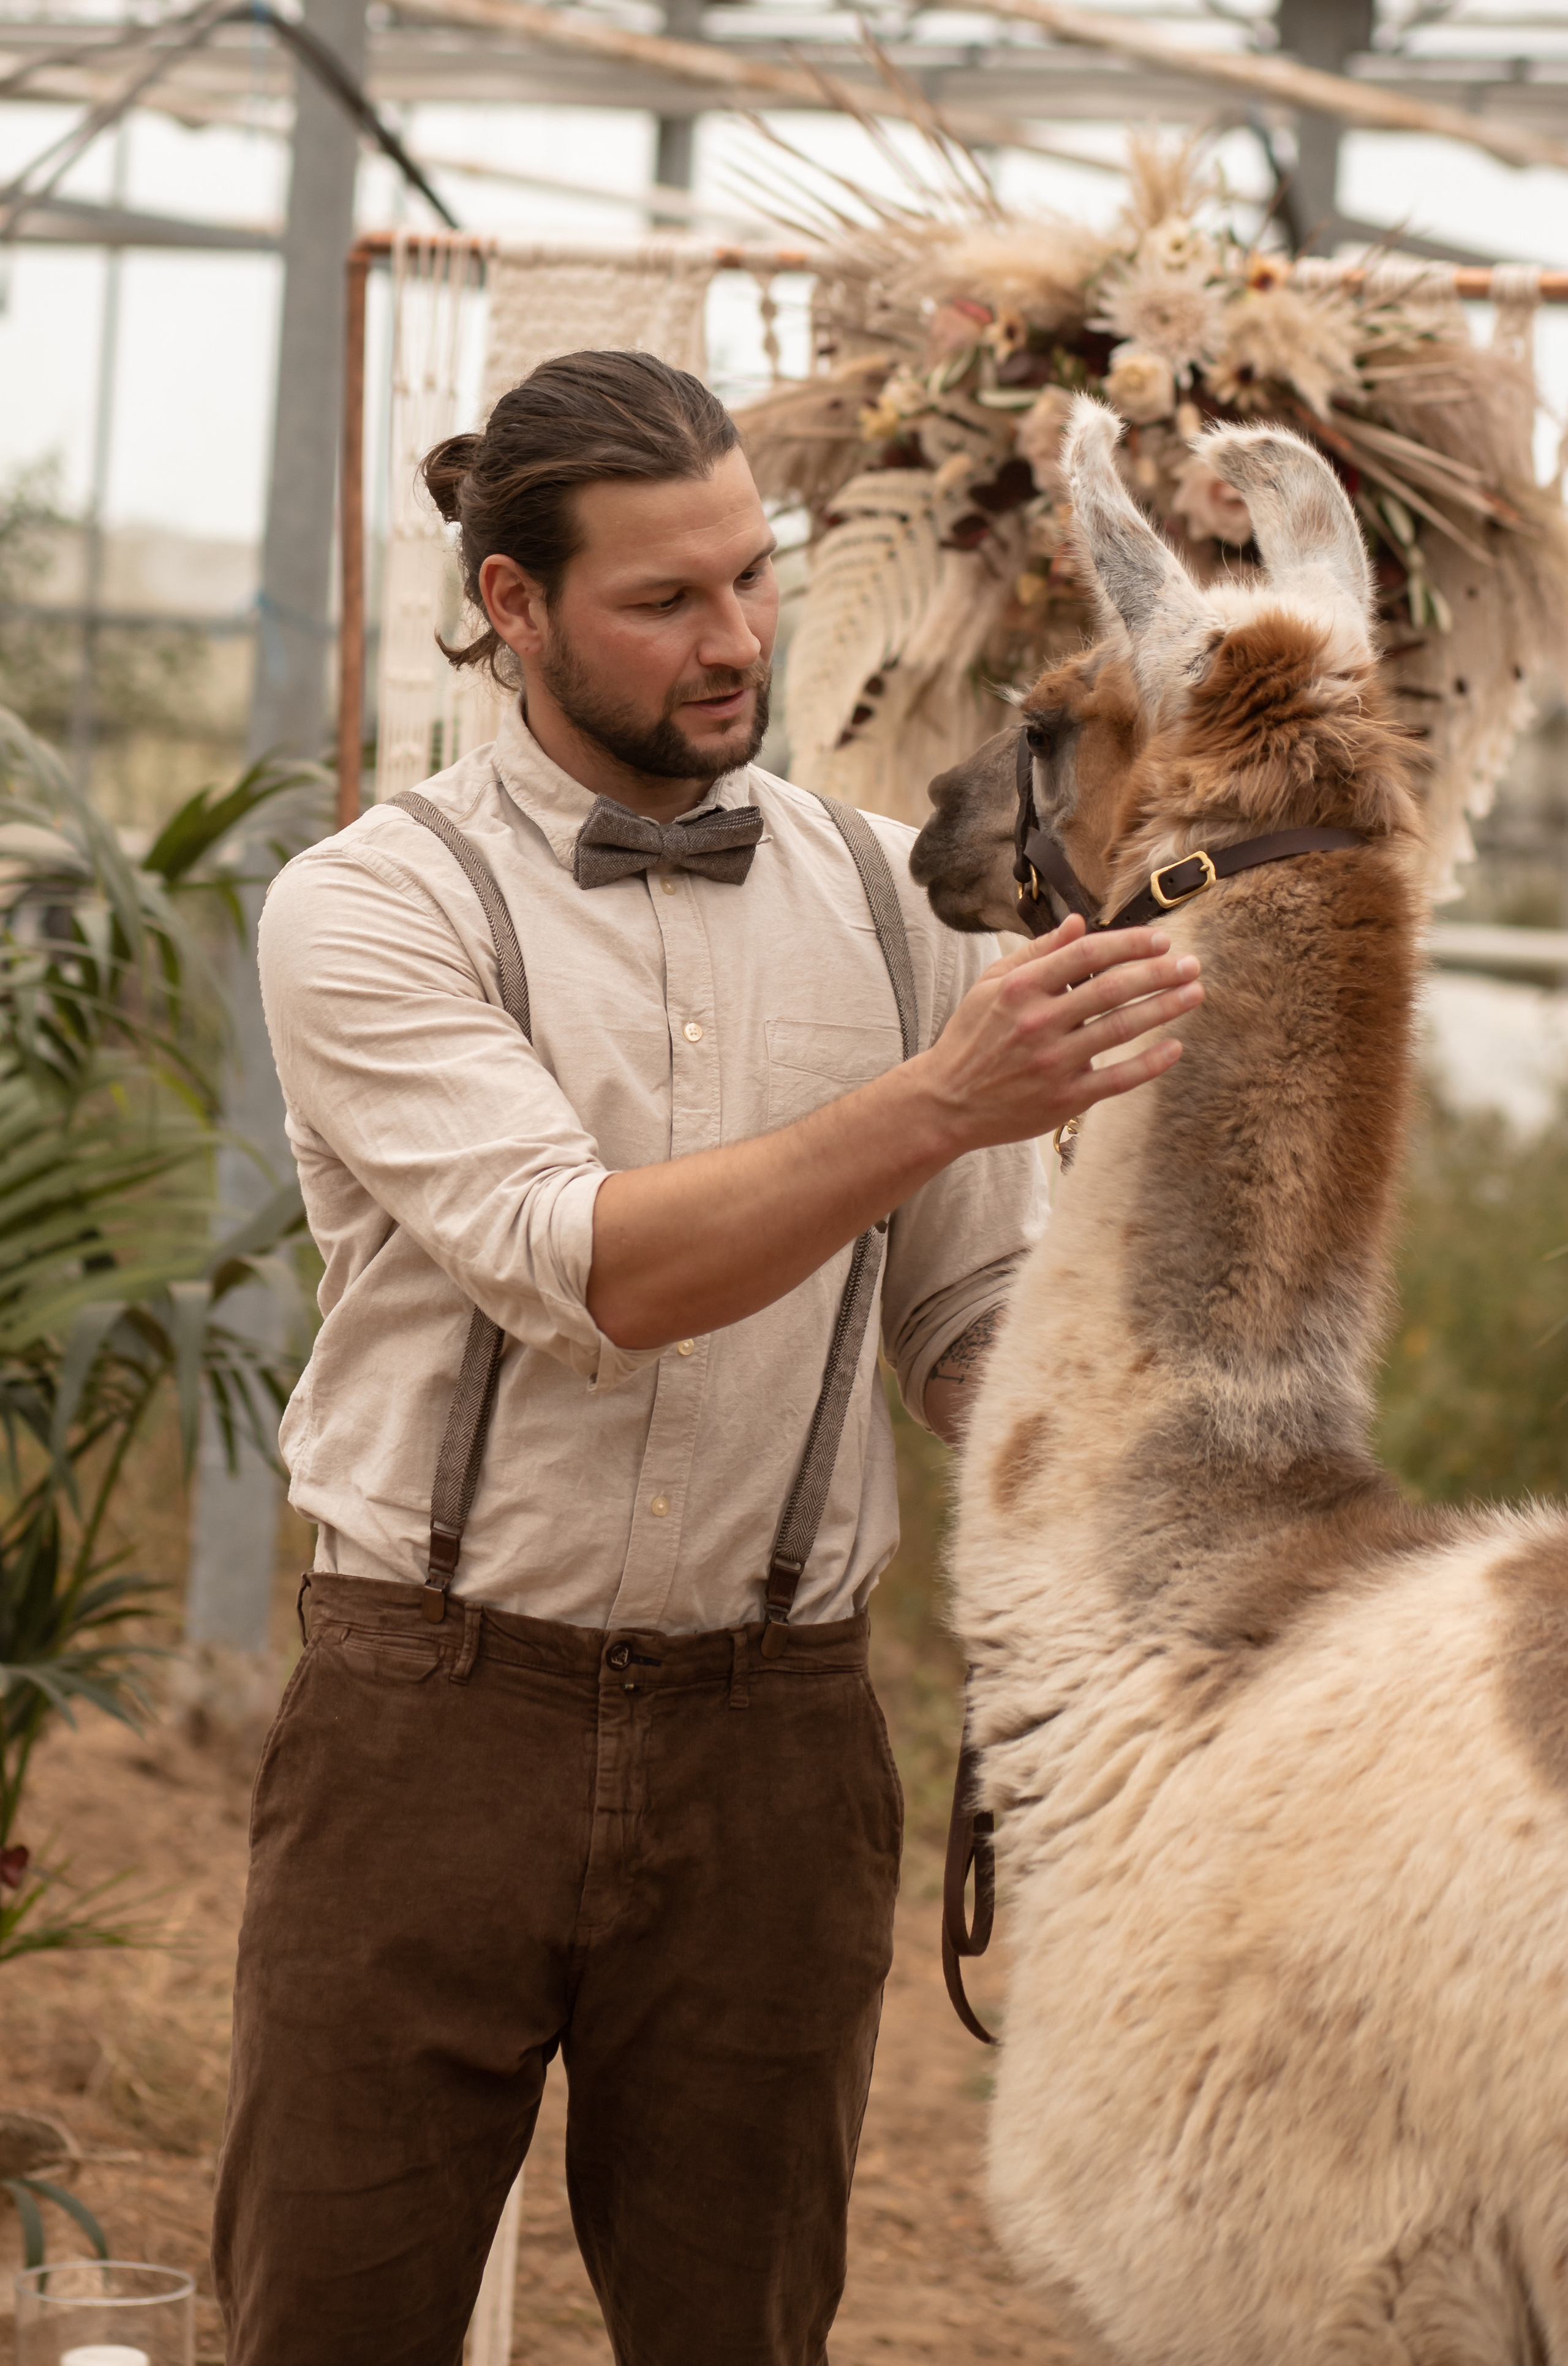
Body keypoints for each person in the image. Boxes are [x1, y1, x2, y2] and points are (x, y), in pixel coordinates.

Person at [212, 349, 1202, 2366]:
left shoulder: (877, 894)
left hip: (780, 1735)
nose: (737, 638)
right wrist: (937, 1102)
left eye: (753, 576)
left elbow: (957, 1323)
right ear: (511, 607)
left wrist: (1138, 1432)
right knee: (332, 2319)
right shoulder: (376, 906)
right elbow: (588, 1269)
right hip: (432, 1714)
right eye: (664, 600)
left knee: (745, 2331)